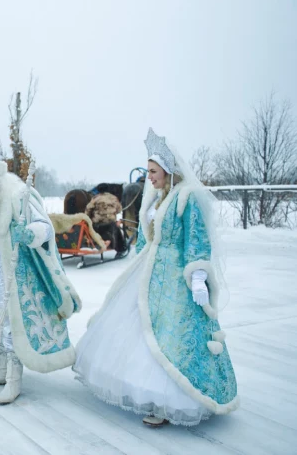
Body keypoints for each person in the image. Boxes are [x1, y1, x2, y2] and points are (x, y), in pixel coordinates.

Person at [73, 128, 238, 427]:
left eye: (153, 171)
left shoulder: (187, 197)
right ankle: (144, 391)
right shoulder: (161, 197)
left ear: (168, 170)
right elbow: (151, 237)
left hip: (175, 276)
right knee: (137, 327)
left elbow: (197, 240)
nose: (149, 177)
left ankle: (168, 401)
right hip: (151, 270)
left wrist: (198, 275)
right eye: (148, 171)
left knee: (170, 335)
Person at [0, 151, 81, 405]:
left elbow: (45, 228)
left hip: (12, 275)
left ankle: (14, 377)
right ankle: (2, 368)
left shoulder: (18, 195)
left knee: (10, 323)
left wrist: (29, 232)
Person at [85, 190, 126, 256]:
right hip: (109, 225)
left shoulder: (95, 198)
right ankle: (121, 249)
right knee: (117, 229)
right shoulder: (114, 198)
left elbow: (88, 209)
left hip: (96, 225)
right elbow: (119, 209)